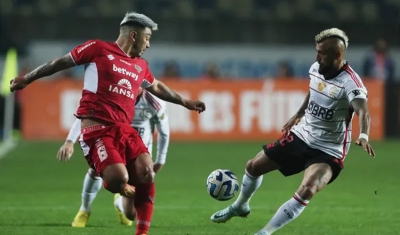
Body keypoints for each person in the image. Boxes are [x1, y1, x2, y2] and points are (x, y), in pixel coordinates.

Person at [10, 12, 205, 235]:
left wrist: (185, 102)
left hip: (124, 129)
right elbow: (60, 63)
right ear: (134, 35)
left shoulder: (140, 65)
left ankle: (142, 233)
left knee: (147, 173)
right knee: (117, 181)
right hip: (97, 131)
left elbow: (157, 87)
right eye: (147, 37)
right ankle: (105, 190)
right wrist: (28, 78)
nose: (149, 44)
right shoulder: (98, 49)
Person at [210, 28, 375, 235]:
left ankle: (265, 232)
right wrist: (299, 113)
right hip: (302, 135)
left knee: (307, 189)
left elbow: (363, 111)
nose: (317, 57)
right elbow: (314, 90)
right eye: (317, 51)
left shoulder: (351, 82)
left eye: (322, 53)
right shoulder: (316, 68)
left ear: (337, 55)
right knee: (253, 166)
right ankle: (240, 205)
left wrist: (363, 135)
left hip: (328, 149)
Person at [57, 88, 170, 227]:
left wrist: (160, 159)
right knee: (96, 171)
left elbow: (164, 132)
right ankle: (84, 209)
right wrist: (70, 141)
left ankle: (118, 202)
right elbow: (87, 117)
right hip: (112, 143)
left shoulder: (154, 103)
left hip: (137, 154)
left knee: (130, 214)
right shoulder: (114, 95)